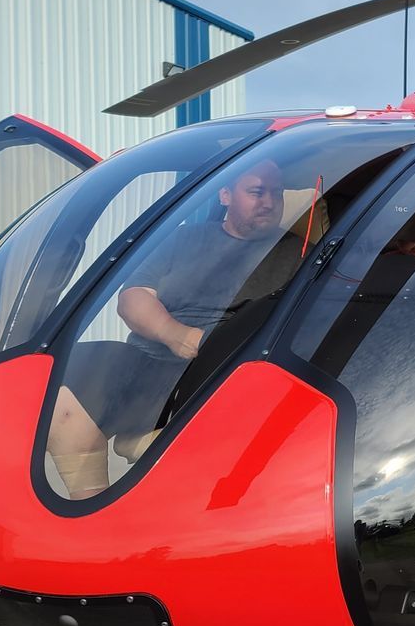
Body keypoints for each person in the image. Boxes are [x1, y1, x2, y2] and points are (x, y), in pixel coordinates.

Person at [46, 158, 295, 498]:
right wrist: (176, 334)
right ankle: (89, 500)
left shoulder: (300, 254)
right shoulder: (184, 240)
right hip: (152, 357)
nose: (269, 201)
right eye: (257, 191)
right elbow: (132, 298)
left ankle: (148, 438)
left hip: (230, 368)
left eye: (276, 193)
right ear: (225, 195)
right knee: (68, 370)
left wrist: (214, 346)